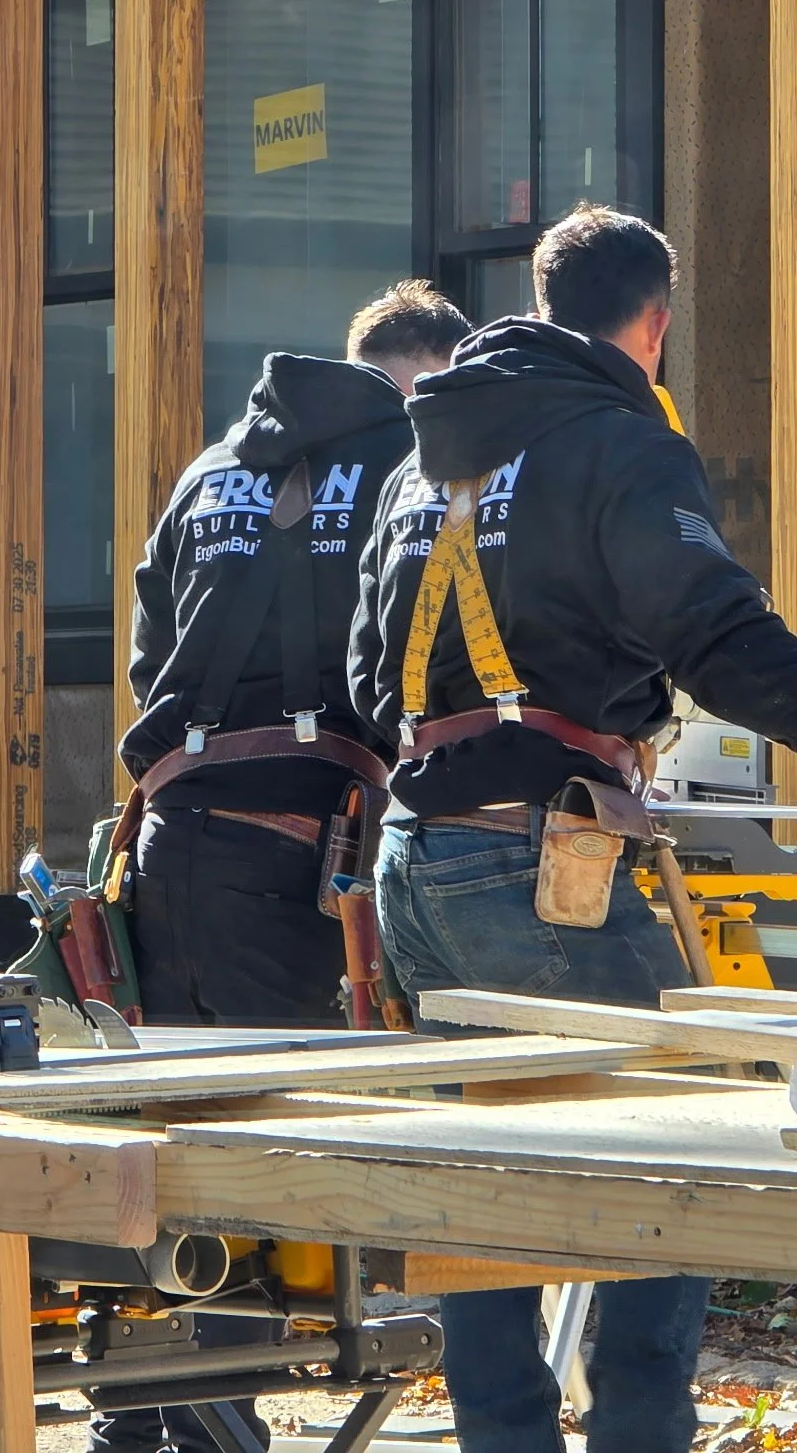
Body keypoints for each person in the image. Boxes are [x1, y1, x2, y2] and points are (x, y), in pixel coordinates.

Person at [348, 203, 797, 1453]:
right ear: (652, 323)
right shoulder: (618, 443)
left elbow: (361, 671)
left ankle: (506, 1438)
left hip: (415, 857)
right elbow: (716, 634)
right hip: (536, 862)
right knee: (673, 1161)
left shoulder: (417, 460)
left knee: (485, 1183)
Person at [89, 281, 470, 1453]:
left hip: (163, 841)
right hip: (292, 850)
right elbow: (411, 651)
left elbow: (152, 646)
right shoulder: (401, 467)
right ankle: (204, 1428)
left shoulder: (208, 471)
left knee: (163, 1137)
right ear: (414, 378)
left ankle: (134, 1423)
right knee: (249, 1161)